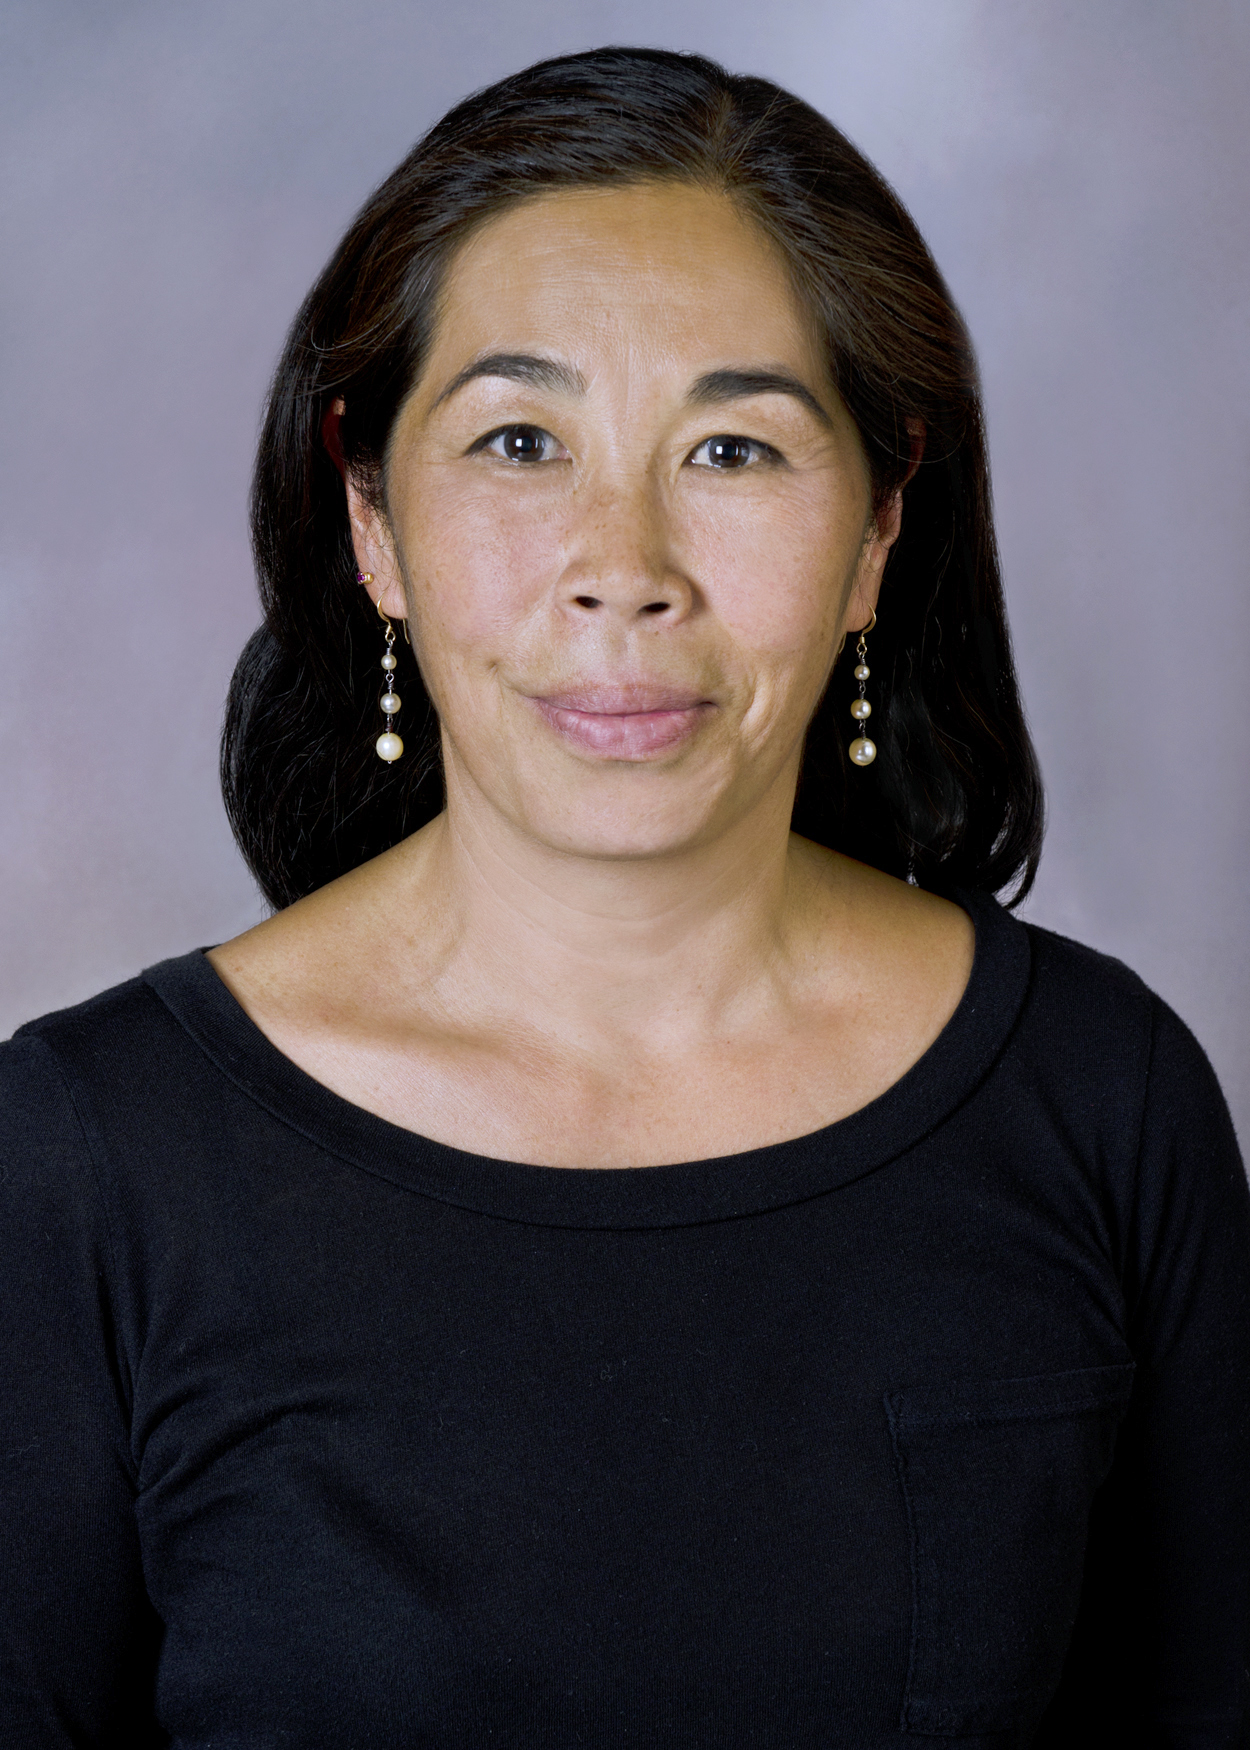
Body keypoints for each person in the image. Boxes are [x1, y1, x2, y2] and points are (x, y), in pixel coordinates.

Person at [1, 44, 1246, 1750]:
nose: (626, 571)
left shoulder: (1101, 1096)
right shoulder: (83, 1158)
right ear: (371, 517)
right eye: (519, 440)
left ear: (880, 521)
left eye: (732, 450)